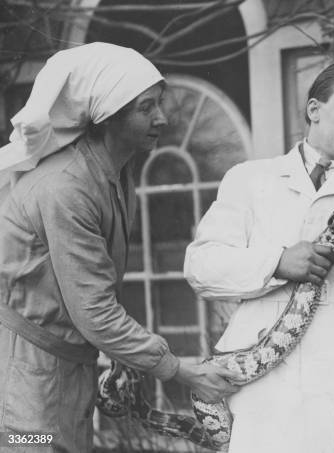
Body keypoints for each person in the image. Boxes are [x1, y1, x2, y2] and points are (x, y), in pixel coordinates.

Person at [0, 42, 241, 453]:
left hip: (65, 371)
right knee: (28, 445)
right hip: (23, 377)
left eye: (159, 105)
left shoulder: (113, 175)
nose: (161, 118)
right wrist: (178, 369)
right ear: (108, 116)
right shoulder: (65, 188)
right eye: (146, 108)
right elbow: (94, 311)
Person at [184, 63, 334, 453]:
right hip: (269, 388)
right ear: (314, 110)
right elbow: (201, 267)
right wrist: (276, 263)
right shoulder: (250, 179)